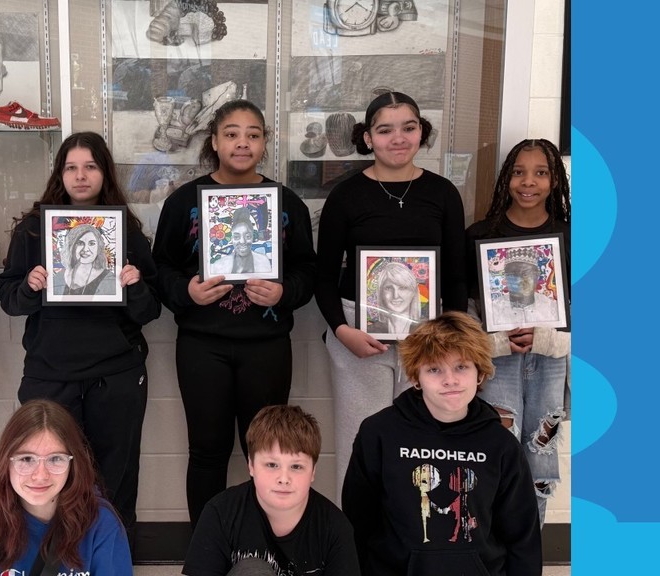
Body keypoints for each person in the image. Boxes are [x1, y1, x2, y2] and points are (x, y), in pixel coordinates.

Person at [152, 99, 317, 528]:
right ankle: (206, 548)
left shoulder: (286, 203)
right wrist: (186, 291)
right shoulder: (184, 200)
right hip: (202, 345)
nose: (242, 143)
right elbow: (161, 269)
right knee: (206, 451)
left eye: (253, 134)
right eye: (231, 133)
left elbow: (307, 271)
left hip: (266, 347)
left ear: (264, 142)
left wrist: (283, 293)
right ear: (214, 141)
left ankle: (264, 544)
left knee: (267, 454)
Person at [0, 131, 161, 550]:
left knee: (115, 477)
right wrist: (30, 287)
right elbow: (10, 301)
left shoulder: (124, 230)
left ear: (104, 173)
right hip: (51, 375)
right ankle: (53, 558)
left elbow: (151, 310)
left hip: (116, 375)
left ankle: (112, 558)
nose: (80, 175)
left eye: (90, 166)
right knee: (45, 475)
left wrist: (135, 285)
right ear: (60, 174)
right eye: (71, 167)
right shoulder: (35, 230)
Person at [314, 91, 467, 501]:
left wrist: (448, 343)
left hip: (429, 336)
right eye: (385, 130)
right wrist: (341, 330)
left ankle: (412, 538)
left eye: (409, 127)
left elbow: (456, 275)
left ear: (421, 132)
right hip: (359, 334)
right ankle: (358, 545)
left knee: (423, 441)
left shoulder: (443, 193)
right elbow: (323, 275)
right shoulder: (346, 196)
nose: (398, 138)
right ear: (367, 138)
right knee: (358, 439)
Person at [341, 312, 542, 576]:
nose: (450, 380)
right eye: (434, 369)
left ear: (479, 374)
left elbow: (522, 535)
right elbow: (359, 522)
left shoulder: (500, 444)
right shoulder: (378, 433)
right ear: (415, 377)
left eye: (461, 367)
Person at [465, 138, 571, 525]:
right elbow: (464, 314)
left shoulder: (572, 236)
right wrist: (491, 343)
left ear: (555, 180)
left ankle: (529, 556)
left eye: (541, 172)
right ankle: (490, 555)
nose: (529, 182)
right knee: (496, 455)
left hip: (550, 361)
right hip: (498, 363)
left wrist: (552, 340)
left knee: (540, 461)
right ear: (505, 179)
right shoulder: (478, 235)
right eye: (518, 172)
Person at [0, 399, 133, 575]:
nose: (40, 475)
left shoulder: (102, 525)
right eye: (27, 459)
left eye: (55, 459)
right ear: (6, 463)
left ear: (73, 464)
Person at [183, 405, 360, 575]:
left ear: (313, 471)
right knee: (252, 570)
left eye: (296, 466)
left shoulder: (334, 527)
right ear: (251, 466)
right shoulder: (220, 513)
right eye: (272, 465)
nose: (284, 479)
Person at [486, 248, 560, 325]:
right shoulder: (494, 310)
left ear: (536, 276)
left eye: (525, 274)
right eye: (513, 274)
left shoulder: (551, 307)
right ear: (505, 278)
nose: (518, 280)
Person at [54, 223, 117, 295]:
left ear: (98, 247)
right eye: (80, 243)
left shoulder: (110, 280)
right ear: (72, 246)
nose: (86, 249)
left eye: (92, 243)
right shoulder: (58, 278)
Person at [209, 206, 274, 275]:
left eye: (248, 236)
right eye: (236, 237)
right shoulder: (218, 266)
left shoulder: (263, 261)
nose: (242, 241)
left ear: (253, 237)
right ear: (232, 238)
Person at [367, 261, 421, 336]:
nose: (395, 295)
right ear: (381, 293)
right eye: (389, 288)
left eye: (402, 288)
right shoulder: (370, 331)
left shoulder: (426, 330)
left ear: (413, 292)